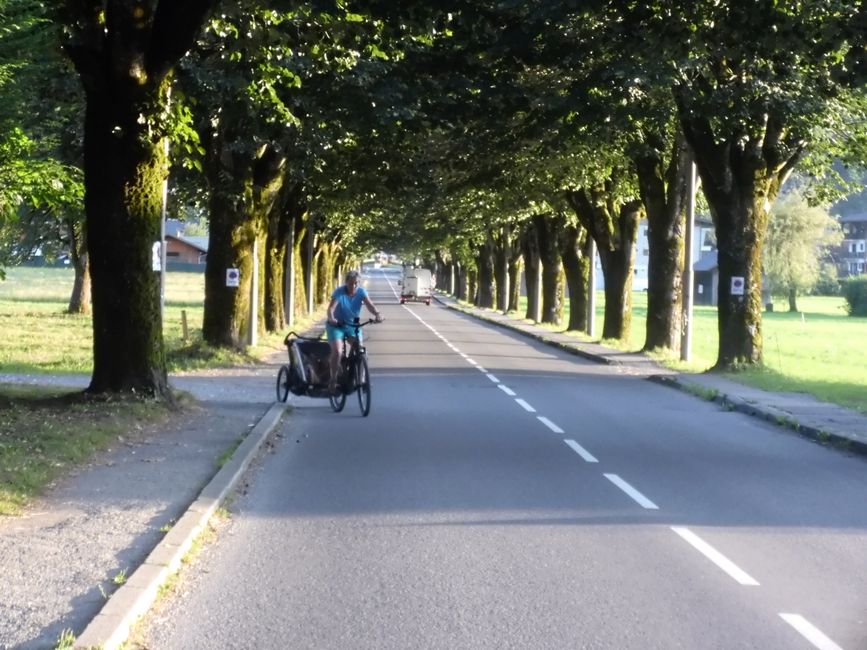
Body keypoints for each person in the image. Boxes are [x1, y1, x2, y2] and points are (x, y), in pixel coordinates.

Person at [326, 269, 383, 392]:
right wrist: (332, 319)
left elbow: (370, 306)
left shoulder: (361, 292)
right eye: (351, 283)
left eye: (356, 283)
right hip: (337, 326)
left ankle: (362, 379)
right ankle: (333, 379)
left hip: (352, 326)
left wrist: (377, 314)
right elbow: (331, 309)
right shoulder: (339, 292)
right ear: (346, 282)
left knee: (361, 350)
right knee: (337, 351)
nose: (354, 285)